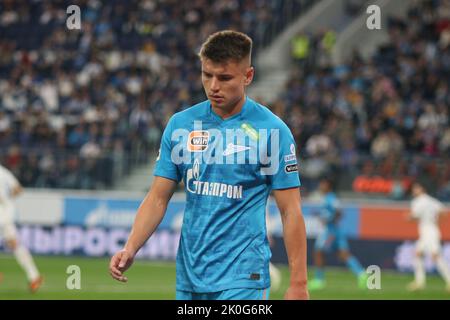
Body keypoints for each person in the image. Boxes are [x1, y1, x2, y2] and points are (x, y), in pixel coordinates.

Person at [109, 30, 309, 300]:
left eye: (224, 77)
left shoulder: (273, 132)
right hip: (191, 275)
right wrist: (131, 247)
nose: (213, 86)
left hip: (243, 274)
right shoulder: (181, 126)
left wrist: (299, 283)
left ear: (248, 76)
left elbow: (291, 211)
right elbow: (157, 198)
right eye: (207, 75)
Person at [308, 178, 367, 290]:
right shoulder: (327, 198)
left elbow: (339, 212)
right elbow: (330, 213)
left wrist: (330, 220)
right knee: (343, 254)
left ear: (328, 186)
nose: (320, 186)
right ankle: (361, 274)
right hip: (335, 230)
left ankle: (319, 280)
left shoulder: (331, 198)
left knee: (318, 252)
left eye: (323, 184)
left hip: (331, 231)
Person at [0, 164, 43, 293]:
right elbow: (18, 189)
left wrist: (6, 199)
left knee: (13, 243)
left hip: (3, 213)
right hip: (5, 212)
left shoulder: (2, 172)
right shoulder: (4, 171)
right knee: (14, 243)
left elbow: (18, 189)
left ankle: (34, 276)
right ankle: (34, 276)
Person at [406, 182, 450, 292]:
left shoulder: (417, 202)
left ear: (422, 189)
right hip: (432, 229)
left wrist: (408, 217)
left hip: (428, 231)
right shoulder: (431, 200)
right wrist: (435, 220)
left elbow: (415, 216)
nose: (414, 190)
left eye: (416, 188)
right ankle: (420, 282)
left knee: (436, 256)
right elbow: (444, 212)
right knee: (417, 254)